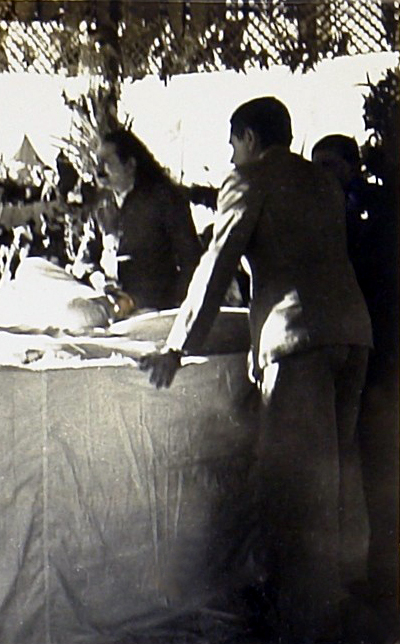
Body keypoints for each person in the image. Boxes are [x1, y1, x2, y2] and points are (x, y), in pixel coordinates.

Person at [140, 97, 383, 642]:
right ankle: (343, 604)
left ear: (248, 137)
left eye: (232, 143)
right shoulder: (320, 181)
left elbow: (216, 265)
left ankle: (304, 622)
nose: (230, 154)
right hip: (351, 333)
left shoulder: (249, 180)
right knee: (340, 476)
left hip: (296, 341)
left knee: (296, 487)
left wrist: (177, 347)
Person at [313, 135, 400, 609]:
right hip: (362, 350)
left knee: (383, 467)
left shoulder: (372, 210)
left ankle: (387, 581)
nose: (322, 175)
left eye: (330, 165)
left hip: (384, 352)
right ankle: (376, 572)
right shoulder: (331, 210)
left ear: (353, 166)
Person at [74, 128, 203, 312]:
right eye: (97, 162)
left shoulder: (165, 199)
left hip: (155, 311)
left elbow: (191, 260)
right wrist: (98, 280)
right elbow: (83, 261)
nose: (98, 170)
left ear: (130, 165)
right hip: (110, 308)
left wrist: (174, 306)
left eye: (107, 162)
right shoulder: (102, 207)